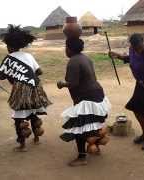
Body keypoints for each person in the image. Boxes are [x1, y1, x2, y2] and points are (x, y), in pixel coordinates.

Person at [57, 38, 111, 167]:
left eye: (66, 47)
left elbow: (73, 83)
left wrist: (61, 84)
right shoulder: (85, 58)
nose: (65, 50)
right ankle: (96, 147)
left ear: (69, 49)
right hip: (97, 94)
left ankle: (82, 157)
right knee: (93, 123)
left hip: (87, 98)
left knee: (79, 129)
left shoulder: (73, 62)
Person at [0, 25, 52, 152]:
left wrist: (15, 75)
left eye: (7, 46)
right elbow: (39, 72)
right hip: (36, 88)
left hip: (21, 90)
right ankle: (37, 139)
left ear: (10, 46)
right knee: (33, 112)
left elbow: (0, 76)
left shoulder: (8, 59)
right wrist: (27, 75)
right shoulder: (28, 56)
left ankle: (22, 145)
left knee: (18, 118)